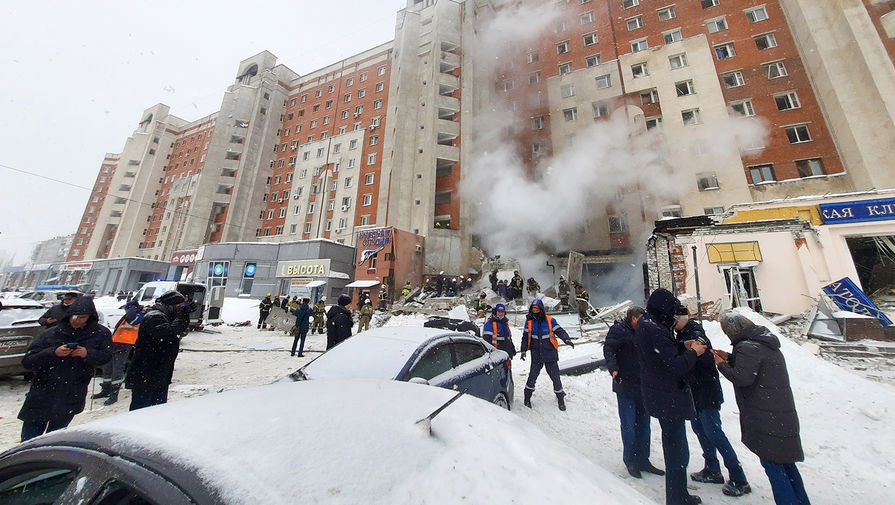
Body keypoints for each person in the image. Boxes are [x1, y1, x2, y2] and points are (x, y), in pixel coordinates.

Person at [717, 313, 810, 505]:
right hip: (780, 414)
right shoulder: (763, 343)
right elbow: (754, 368)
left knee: (773, 466)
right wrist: (732, 358)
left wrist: (722, 365)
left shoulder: (747, 347)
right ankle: (801, 501)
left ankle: (788, 501)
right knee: (786, 464)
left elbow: (743, 377)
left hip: (765, 417)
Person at [634, 288, 706, 505]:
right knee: (677, 451)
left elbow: (662, 351)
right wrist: (694, 353)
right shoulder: (655, 328)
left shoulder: (648, 324)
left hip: (659, 394)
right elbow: (674, 365)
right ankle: (677, 497)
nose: (674, 317)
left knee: (675, 447)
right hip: (668, 397)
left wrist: (681, 345)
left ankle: (678, 494)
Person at [675, 305, 750, 497]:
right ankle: (712, 468)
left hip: (706, 392)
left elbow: (693, 360)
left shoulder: (696, 334)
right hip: (695, 393)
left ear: (683, 318)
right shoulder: (682, 334)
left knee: (714, 433)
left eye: (675, 319)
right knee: (700, 430)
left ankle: (738, 477)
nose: (673, 324)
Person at [18, 296, 112, 441]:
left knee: (55, 440)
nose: (76, 320)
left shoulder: (101, 334)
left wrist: (87, 353)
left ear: (90, 318)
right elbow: (28, 361)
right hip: (42, 393)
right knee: (29, 440)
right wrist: (53, 352)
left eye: (82, 317)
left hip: (72, 394)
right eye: (73, 316)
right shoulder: (52, 333)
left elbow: (106, 357)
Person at [604, 305, 664, 479]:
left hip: (643, 384)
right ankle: (630, 460)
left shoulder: (645, 330)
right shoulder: (618, 330)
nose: (642, 322)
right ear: (632, 318)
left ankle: (643, 459)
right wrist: (614, 369)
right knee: (629, 425)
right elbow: (609, 350)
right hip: (624, 383)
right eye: (640, 319)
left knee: (644, 425)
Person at [125, 290, 196, 411]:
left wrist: (184, 315)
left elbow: (179, 331)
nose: (179, 309)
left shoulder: (164, 317)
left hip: (158, 374)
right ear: (170, 305)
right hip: (147, 374)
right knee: (142, 411)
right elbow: (168, 334)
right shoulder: (154, 317)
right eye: (178, 306)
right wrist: (181, 316)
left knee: (156, 410)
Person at [520, 299, 575, 411]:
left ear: (541, 309)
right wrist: (523, 350)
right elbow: (525, 337)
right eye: (533, 308)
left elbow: (559, 330)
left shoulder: (550, 320)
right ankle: (527, 398)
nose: (535, 310)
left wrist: (566, 339)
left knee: (555, 376)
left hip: (550, 352)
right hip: (536, 353)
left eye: (537, 308)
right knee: (532, 376)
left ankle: (560, 398)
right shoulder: (529, 322)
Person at [94, 298, 144, 405]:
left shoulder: (139, 316)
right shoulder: (127, 316)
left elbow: (131, 319)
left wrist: (132, 309)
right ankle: (106, 389)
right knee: (107, 367)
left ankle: (114, 394)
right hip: (114, 344)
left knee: (117, 369)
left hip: (125, 345)